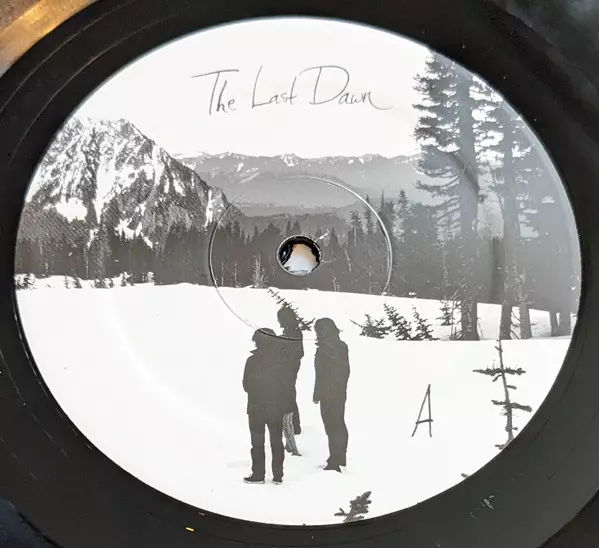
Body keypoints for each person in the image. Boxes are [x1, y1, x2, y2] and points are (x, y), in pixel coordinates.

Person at [242, 328, 286, 485]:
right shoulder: (281, 361)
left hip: (255, 407)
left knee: (257, 443)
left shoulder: (252, 361)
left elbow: (246, 385)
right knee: (277, 442)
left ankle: (258, 474)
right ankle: (278, 476)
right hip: (275, 408)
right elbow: (285, 385)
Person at [313, 318, 350, 472]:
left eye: (319, 330)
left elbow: (343, 371)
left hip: (335, 393)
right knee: (333, 426)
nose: (317, 334)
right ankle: (337, 456)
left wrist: (330, 390)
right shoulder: (323, 348)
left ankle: (336, 460)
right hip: (327, 393)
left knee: (335, 426)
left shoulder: (339, 347)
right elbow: (319, 374)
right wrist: (317, 392)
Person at [277, 306, 304, 456]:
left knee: (288, 397)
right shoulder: (292, 331)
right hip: (289, 369)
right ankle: (295, 425)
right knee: (289, 395)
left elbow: (297, 352)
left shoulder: (293, 332)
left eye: (280, 318)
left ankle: (294, 426)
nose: (279, 321)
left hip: (289, 369)